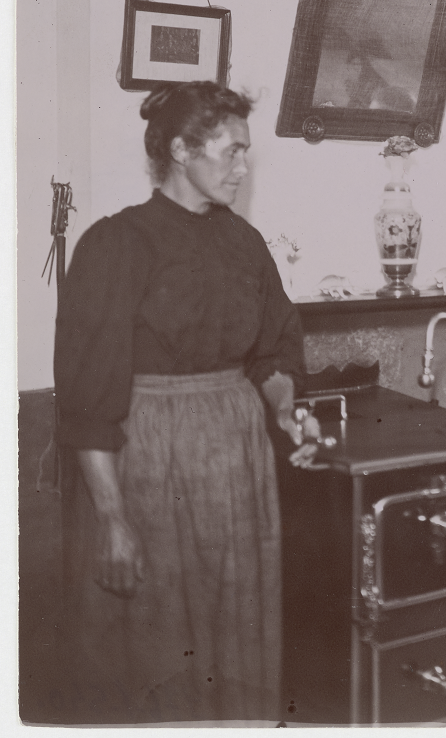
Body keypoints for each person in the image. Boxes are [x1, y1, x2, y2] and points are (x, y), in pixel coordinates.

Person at [54, 81, 311, 724]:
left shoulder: (245, 243)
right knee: (156, 637)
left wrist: (281, 406)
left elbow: (275, 353)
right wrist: (112, 518)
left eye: (245, 153)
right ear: (179, 150)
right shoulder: (116, 244)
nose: (243, 167)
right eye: (231, 152)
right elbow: (88, 401)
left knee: (236, 626)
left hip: (236, 466)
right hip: (148, 467)